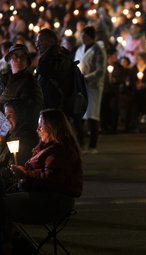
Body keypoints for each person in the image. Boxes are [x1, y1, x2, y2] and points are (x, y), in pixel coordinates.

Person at [1, 109, 83, 254]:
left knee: (2, 204)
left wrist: (25, 174)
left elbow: (52, 179)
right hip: (44, 194)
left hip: (53, 200)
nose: (38, 129)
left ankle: (8, 245)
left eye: (41, 126)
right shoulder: (48, 147)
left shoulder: (61, 150)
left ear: (53, 128)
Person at [35, 28, 84, 148]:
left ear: (51, 41)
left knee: (58, 141)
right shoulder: (53, 57)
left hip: (57, 108)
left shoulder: (61, 59)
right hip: (49, 107)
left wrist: (51, 51)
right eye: (36, 42)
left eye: (40, 41)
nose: (37, 45)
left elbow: (43, 68)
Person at [74, 26, 107, 154]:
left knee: (93, 116)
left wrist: (85, 78)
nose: (82, 38)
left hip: (93, 87)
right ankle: (80, 143)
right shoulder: (80, 49)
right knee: (80, 115)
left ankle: (93, 145)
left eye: (85, 36)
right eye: (81, 36)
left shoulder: (98, 51)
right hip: (81, 87)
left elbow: (100, 70)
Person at [0, 98, 40, 192]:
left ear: (21, 116)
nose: (6, 120)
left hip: (11, 190)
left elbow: (11, 172)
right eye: (5, 116)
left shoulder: (24, 140)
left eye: (10, 115)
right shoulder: (14, 135)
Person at [0, 44, 43, 111]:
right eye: (15, 56)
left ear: (27, 62)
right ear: (9, 60)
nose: (19, 59)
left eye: (23, 57)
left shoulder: (30, 83)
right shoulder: (4, 79)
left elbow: (30, 111)